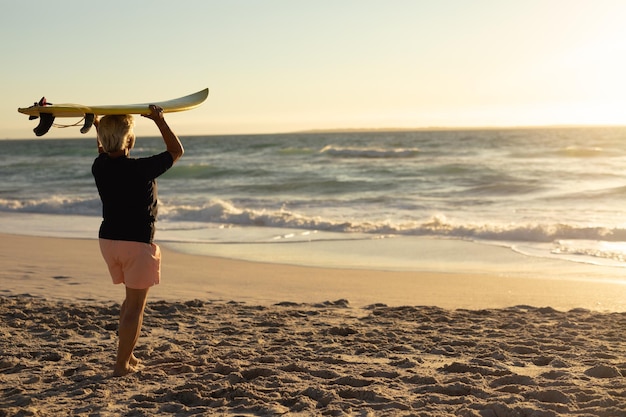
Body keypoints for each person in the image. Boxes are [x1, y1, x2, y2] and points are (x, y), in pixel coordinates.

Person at [92, 105, 184, 376]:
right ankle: (121, 365)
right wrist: (160, 120)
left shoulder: (99, 166)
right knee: (135, 308)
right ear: (130, 140)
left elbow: (103, 149)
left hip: (109, 241)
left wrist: (98, 125)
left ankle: (127, 357)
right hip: (136, 244)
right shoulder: (142, 169)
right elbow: (176, 151)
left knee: (129, 302)